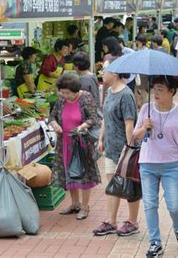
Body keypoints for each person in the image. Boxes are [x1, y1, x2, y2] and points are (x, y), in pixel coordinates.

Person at [133, 76, 178, 257]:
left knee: (174, 205)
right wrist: (143, 128)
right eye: (154, 88)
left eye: (160, 89)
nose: (155, 92)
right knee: (150, 204)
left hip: (172, 165)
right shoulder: (146, 109)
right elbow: (134, 136)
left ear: (172, 91)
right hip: (147, 163)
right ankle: (155, 243)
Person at [93, 71, 140, 237]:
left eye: (104, 71)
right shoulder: (108, 92)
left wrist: (129, 148)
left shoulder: (126, 94)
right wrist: (101, 139)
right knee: (113, 183)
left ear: (114, 73)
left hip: (123, 148)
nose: (101, 74)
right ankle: (111, 221)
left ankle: (133, 221)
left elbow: (129, 123)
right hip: (110, 147)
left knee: (129, 184)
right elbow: (105, 118)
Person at [48, 74, 100, 220]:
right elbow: (52, 117)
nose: (65, 95)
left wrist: (81, 127)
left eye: (67, 93)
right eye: (62, 92)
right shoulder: (61, 100)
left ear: (75, 90)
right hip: (64, 141)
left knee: (84, 174)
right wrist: (55, 125)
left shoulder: (85, 97)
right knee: (69, 172)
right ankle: (74, 203)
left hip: (81, 142)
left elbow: (93, 118)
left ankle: (85, 206)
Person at [135, 34, 149, 108]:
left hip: (143, 71)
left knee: (142, 88)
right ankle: (138, 103)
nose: (136, 43)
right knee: (136, 88)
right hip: (137, 70)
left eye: (137, 41)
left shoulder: (145, 50)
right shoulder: (138, 48)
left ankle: (143, 104)